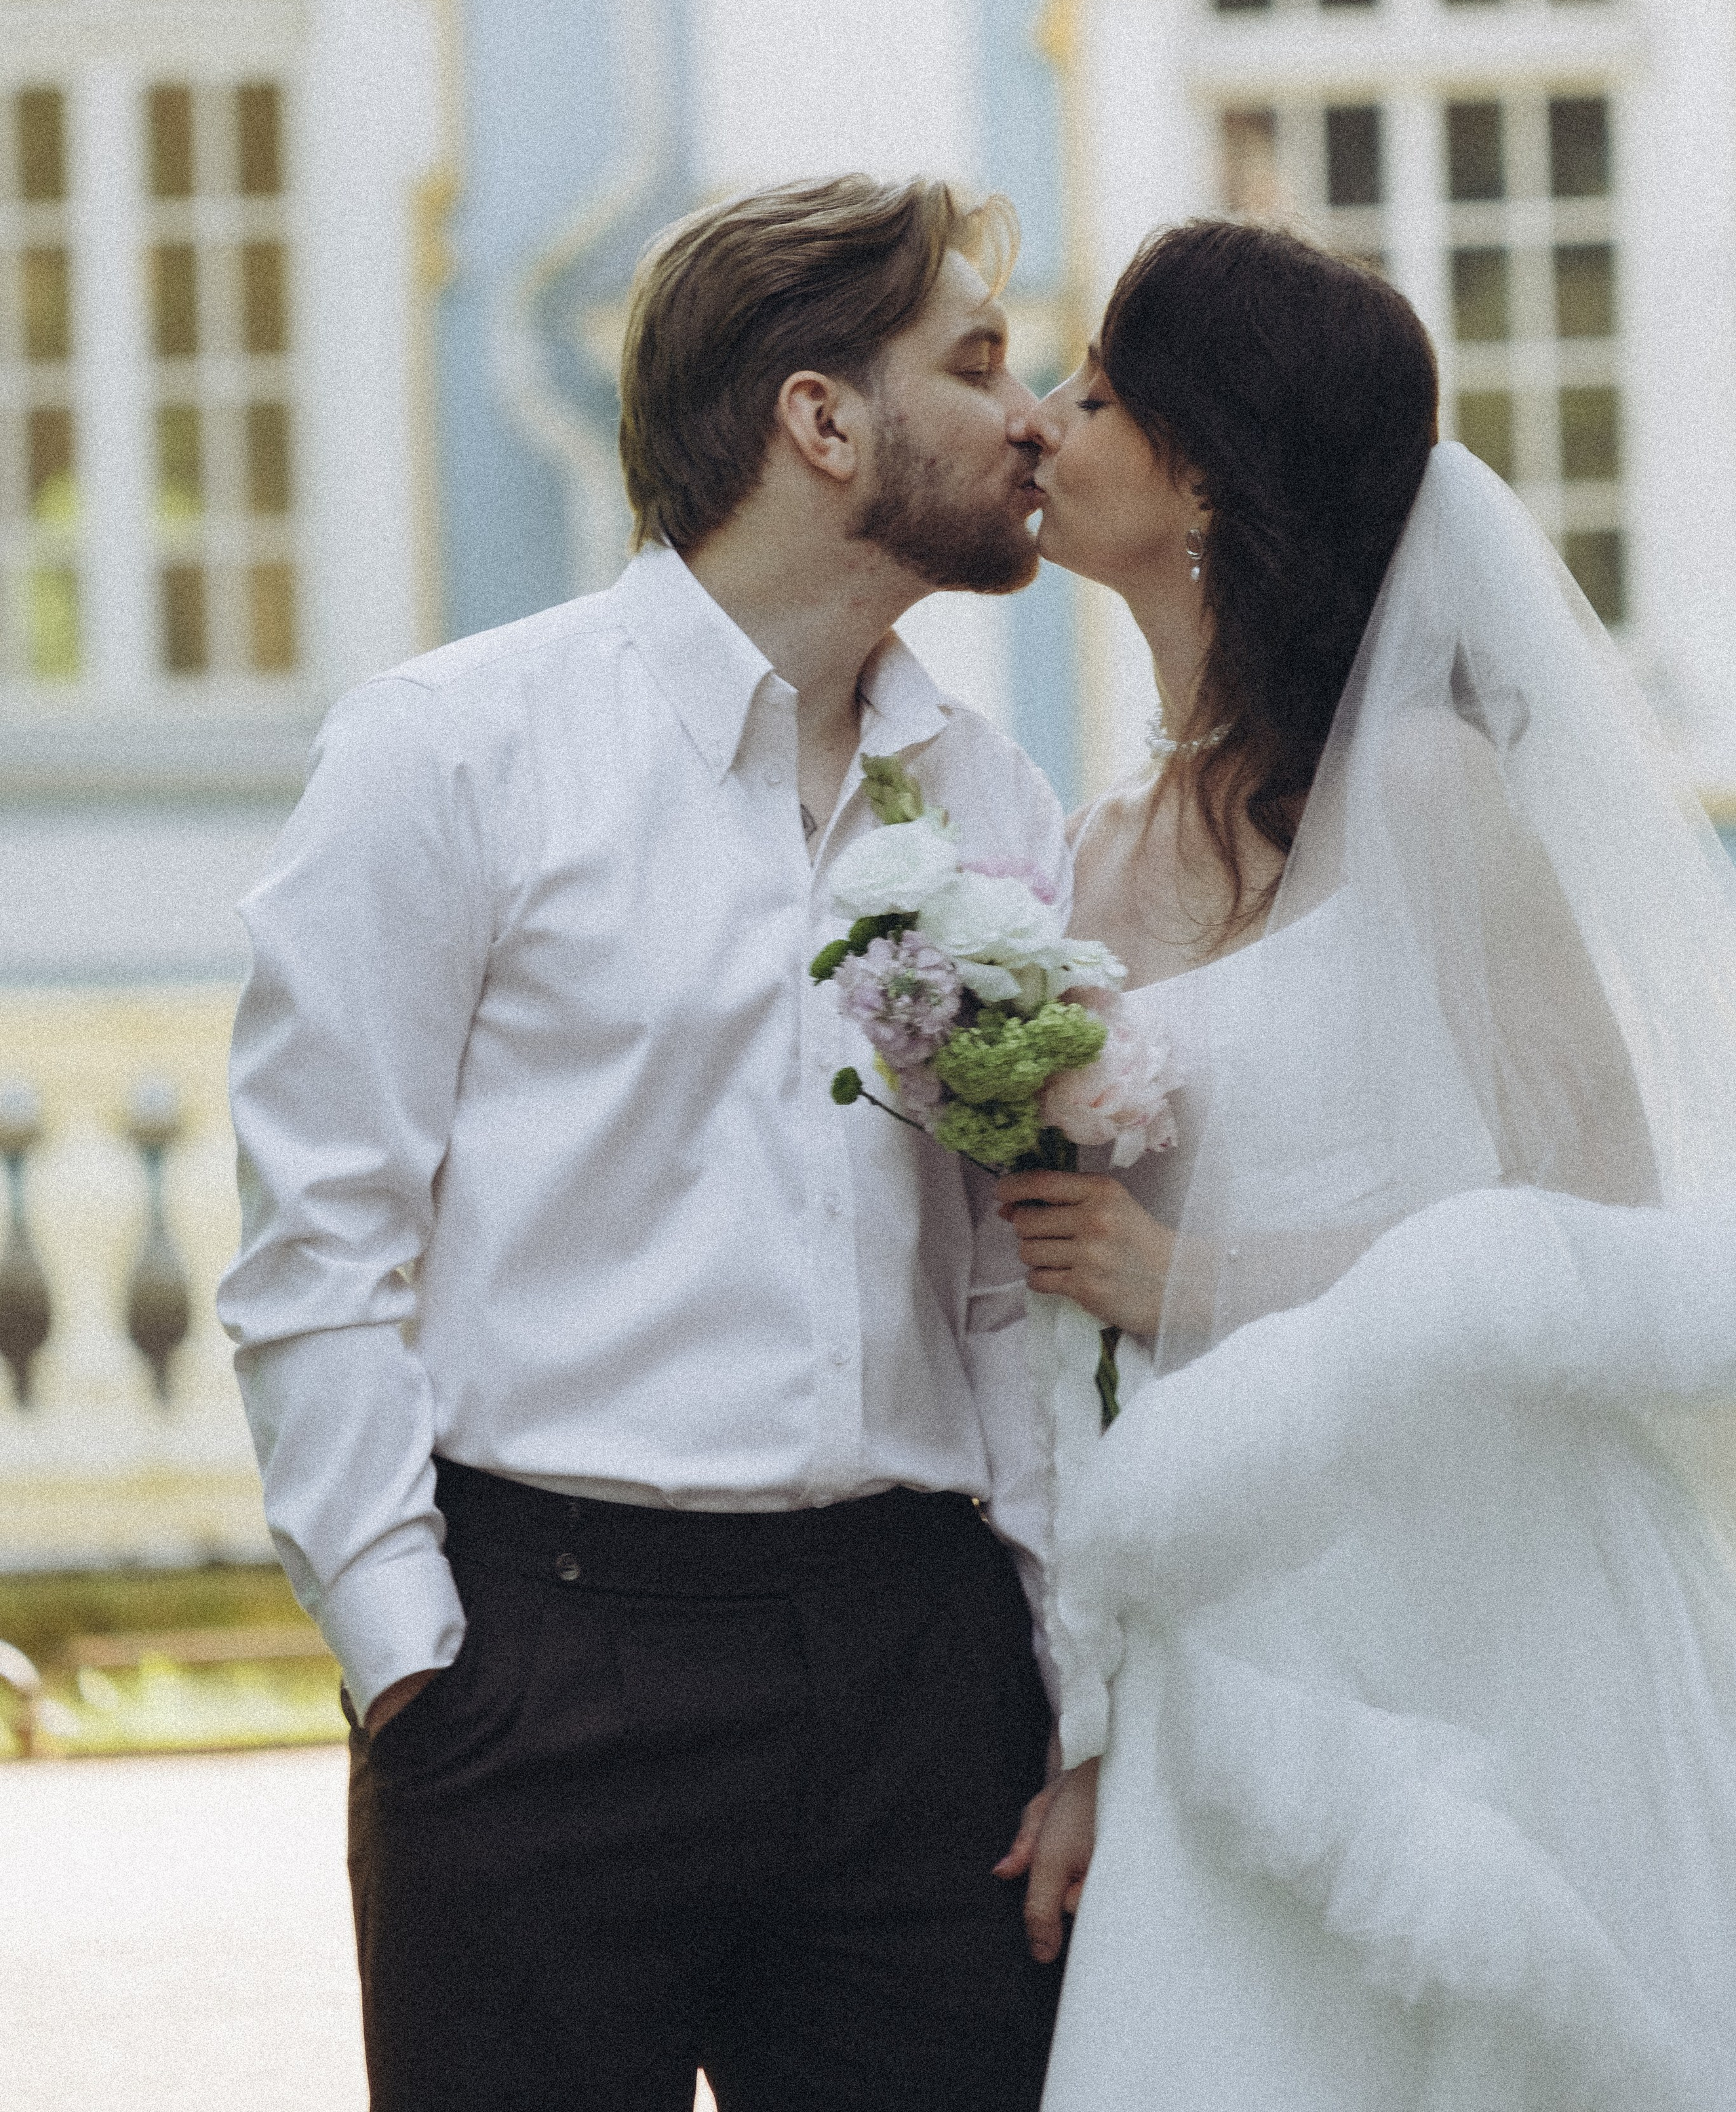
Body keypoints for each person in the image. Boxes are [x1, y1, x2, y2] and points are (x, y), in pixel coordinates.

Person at [217, 175, 1071, 2112]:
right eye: (979, 361)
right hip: (546, 1677)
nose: (1034, 416)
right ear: (820, 419)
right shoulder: (449, 751)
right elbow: (317, 1246)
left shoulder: (989, 791)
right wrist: (414, 1667)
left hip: (927, 1690)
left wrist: (1063, 1676)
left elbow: (1012, 1283)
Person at [993, 220, 1736, 2108]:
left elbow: (1602, 1217)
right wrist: (1092, 1729)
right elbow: (1065, 1348)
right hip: (1226, 1609)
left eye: (1095, 391)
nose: (1046, 422)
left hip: (1470, 1589)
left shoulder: (1426, 788)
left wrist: (1202, 1283)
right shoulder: (1088, 858)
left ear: (1206, 473)